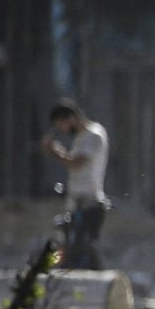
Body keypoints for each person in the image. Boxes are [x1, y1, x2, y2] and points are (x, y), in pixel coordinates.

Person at [40, 98, 110, 270]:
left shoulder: (94, 135)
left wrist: (54, 151)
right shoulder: (81, 138)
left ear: (71, 118)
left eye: (61, 125)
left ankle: (96, 282)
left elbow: (76, 163)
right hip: (75, 203)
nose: (62, 130)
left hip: (90, 203)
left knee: (85, 249)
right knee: (66, 247)